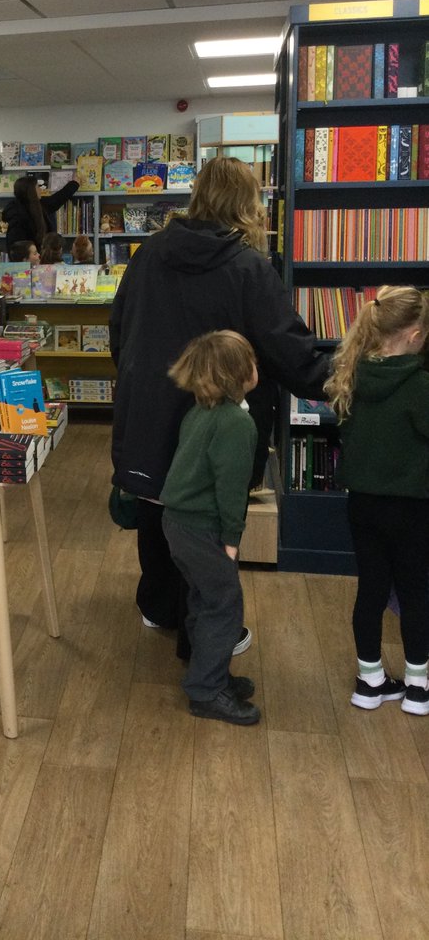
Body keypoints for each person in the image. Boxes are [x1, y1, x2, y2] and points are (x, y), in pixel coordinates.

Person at [110, 158, 329, 655]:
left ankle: (160, 606)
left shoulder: (147, 255)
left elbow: (118, 331)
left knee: (155, 505)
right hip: (216, 418)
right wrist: (347, 380)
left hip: (147, 411)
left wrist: (139, 385)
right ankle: (206, 635)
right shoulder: (249, 267)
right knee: (206, 522)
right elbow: (288, 352)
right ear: (245, 204)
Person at [324, 285, 429, 715]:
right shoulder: (421, 386)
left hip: (362, 506)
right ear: (415, 335)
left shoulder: (351, 376)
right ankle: (419, 687)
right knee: (416, 592)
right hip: (414, 507)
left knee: (370, 589)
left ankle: (370, 682)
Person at [161, 331, 260, 725]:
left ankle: (209, 673)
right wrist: (232, 541)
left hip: (178, 523)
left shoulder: (200, 410)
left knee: (204, 602)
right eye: (252, 361)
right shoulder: (236, 423)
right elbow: (232, 489)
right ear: (239, 374)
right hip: (203, 529)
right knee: (224, 606)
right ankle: (206, 692)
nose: (258, 367)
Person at [3, 174, 79, 258]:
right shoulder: (17, 215)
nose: (40, 190)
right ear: (31, 191)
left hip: (38, 259)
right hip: (26, 262)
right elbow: (16, 247)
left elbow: (57, 199)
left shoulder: (38, 205)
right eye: (37, 187)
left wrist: (74, 184)